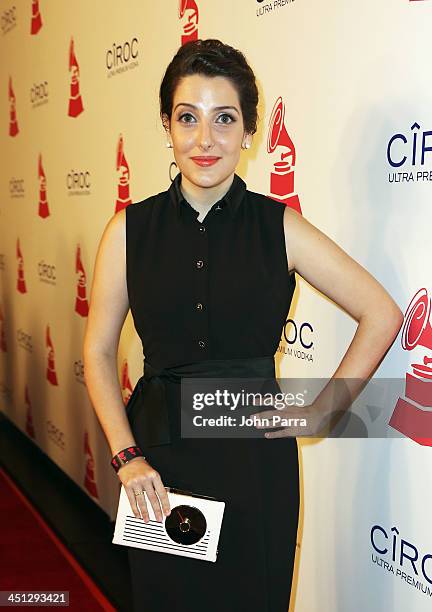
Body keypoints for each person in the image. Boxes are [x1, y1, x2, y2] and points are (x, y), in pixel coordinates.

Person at [83, 39, 403, 612]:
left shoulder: (279, 227)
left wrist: (325, 407)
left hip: (254, 463)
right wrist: (126, 458)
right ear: (167, 126)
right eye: (188, 118)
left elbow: (380, 313)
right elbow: (99, 353)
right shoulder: (128, 231)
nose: (205, 140)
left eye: (224, 119)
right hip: (158, 463)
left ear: (249, 132)